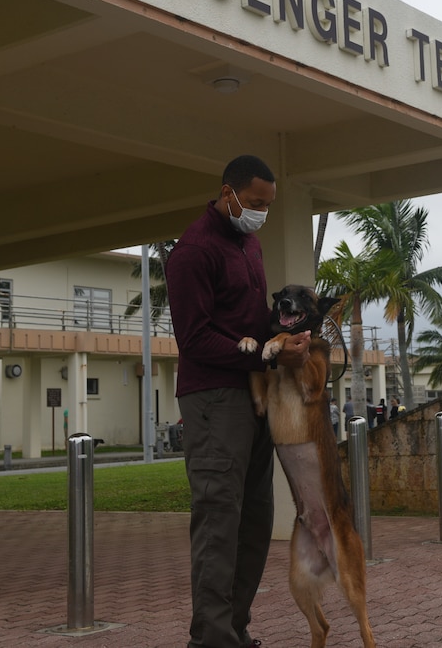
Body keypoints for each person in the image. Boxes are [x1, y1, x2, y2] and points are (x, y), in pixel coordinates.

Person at [166, 154, 310, 648]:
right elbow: (195, 338)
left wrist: (286, 342)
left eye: (268, 206)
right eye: (254, 203)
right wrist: (267, 359)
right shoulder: (193, 251)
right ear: (227, 193)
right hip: (212, 397)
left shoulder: (249, 244)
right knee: (219, 519)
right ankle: (211, 638)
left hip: (254, 395)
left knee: (255, 520)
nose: (261, 214)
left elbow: (252, 324)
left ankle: (234, 631)